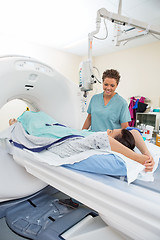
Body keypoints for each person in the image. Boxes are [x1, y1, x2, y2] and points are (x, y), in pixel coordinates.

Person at [9, 111, 154, 209]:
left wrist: (137, 158)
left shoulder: (88, 143)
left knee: (31, 119)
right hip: (68, 133)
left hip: (57, 141)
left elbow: (102, 138)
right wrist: (147, 155)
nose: (107, 130)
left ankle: (17, 124)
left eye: (110, 132)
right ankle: (17, 122)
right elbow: (133, 132)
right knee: (43, 119)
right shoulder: (90, 137)